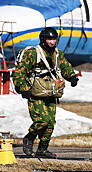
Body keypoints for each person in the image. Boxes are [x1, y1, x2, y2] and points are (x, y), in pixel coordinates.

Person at [13, 27, 79, 159]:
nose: (52, 42)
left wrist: (71, 76)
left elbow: (65, 67)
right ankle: (29, 137)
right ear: (43, 40)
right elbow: (20, 73)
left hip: (51, 93)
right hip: (35, 93)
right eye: (49, 39)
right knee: (42, 120)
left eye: (54, 39)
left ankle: (42, 149)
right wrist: (22, 88)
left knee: (50, 123)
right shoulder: (33, 53)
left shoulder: (57, 54)